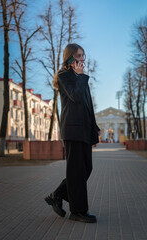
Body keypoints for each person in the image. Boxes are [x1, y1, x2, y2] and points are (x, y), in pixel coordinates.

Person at [45, 43, 100, 223]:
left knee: (86, 169)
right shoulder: (65, 75)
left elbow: (87, 106)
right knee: (76, 171)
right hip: (72, 130)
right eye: (79, 56)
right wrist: (81, 76)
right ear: (70, 58)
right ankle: (78, 211)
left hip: (84, 130)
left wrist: (95, 127)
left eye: (83, 56)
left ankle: (57, 195)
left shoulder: (80, 77)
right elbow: (75, 97)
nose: (82, 59)